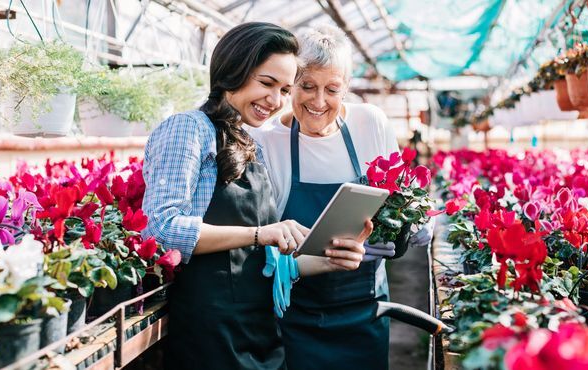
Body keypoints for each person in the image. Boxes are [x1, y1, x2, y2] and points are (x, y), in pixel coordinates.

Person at [141, 22, 369, 370]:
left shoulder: (249, 144)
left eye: (284, 89)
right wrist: (260, 234)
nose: (275, 101)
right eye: (266, 83)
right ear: (234, 70)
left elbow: (262, 263)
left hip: (259, 331)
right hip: (212, 335)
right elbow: (161, 229)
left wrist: (332, 259)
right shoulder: (188, 128)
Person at [250, 25, 431, 370]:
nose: (318, 102)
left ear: (346, 88)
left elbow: (402, 199)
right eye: (307, 87)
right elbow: (261, 241)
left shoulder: (371, 123)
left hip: (365, 308)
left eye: (332, 89)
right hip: (297, 314)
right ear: (291, 84)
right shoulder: (267, 141)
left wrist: (411, 227)